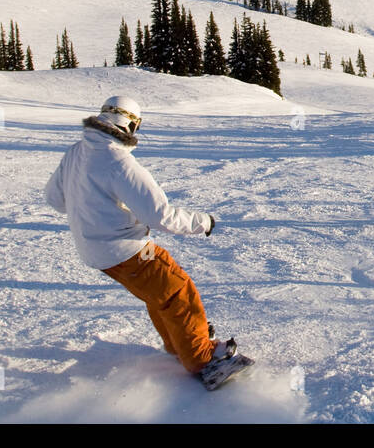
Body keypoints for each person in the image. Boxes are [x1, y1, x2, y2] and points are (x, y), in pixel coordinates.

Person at [44, 95, 237, 387]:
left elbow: (55, 199)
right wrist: (203, 222)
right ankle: (203, 360)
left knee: (158, 293)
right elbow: (160, 215)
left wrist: (93, 206)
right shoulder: (119, 161)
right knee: (178, 292)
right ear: (131, 124)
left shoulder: (76, 152)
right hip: (125, 249)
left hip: (95, 252)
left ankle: (179, 343)